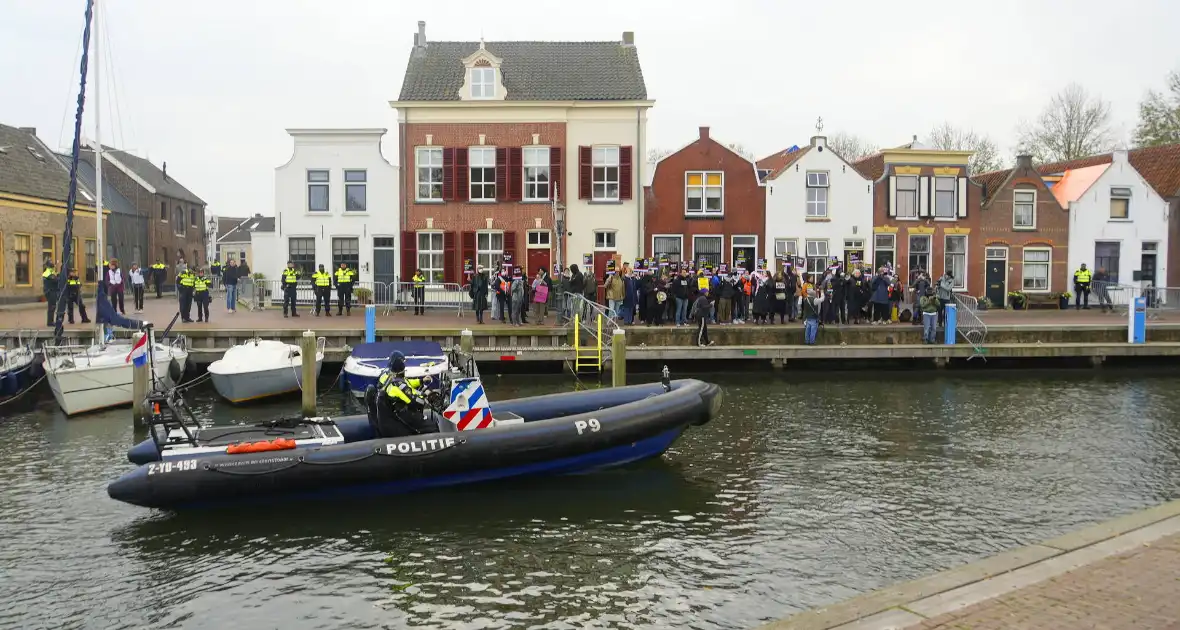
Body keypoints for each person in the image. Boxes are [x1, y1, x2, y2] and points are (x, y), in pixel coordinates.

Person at [366, 351, 438, 438]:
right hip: (398, 417)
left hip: (389, 416)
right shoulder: (397, 385)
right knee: (432, 427)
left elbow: (406, 385)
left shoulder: (390, 378)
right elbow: (414, 401)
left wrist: (421, 381)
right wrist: (425, 395)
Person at [42, 262, 59, 326]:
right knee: (52, 307)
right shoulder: (49, 273)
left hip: (49, 291)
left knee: (51, 307)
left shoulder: (47, 272)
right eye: (54, 267)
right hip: (51, 291)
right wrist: (58, 277)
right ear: (51, 267)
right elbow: (56, 280)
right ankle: (50, 322)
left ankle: (50, 321)